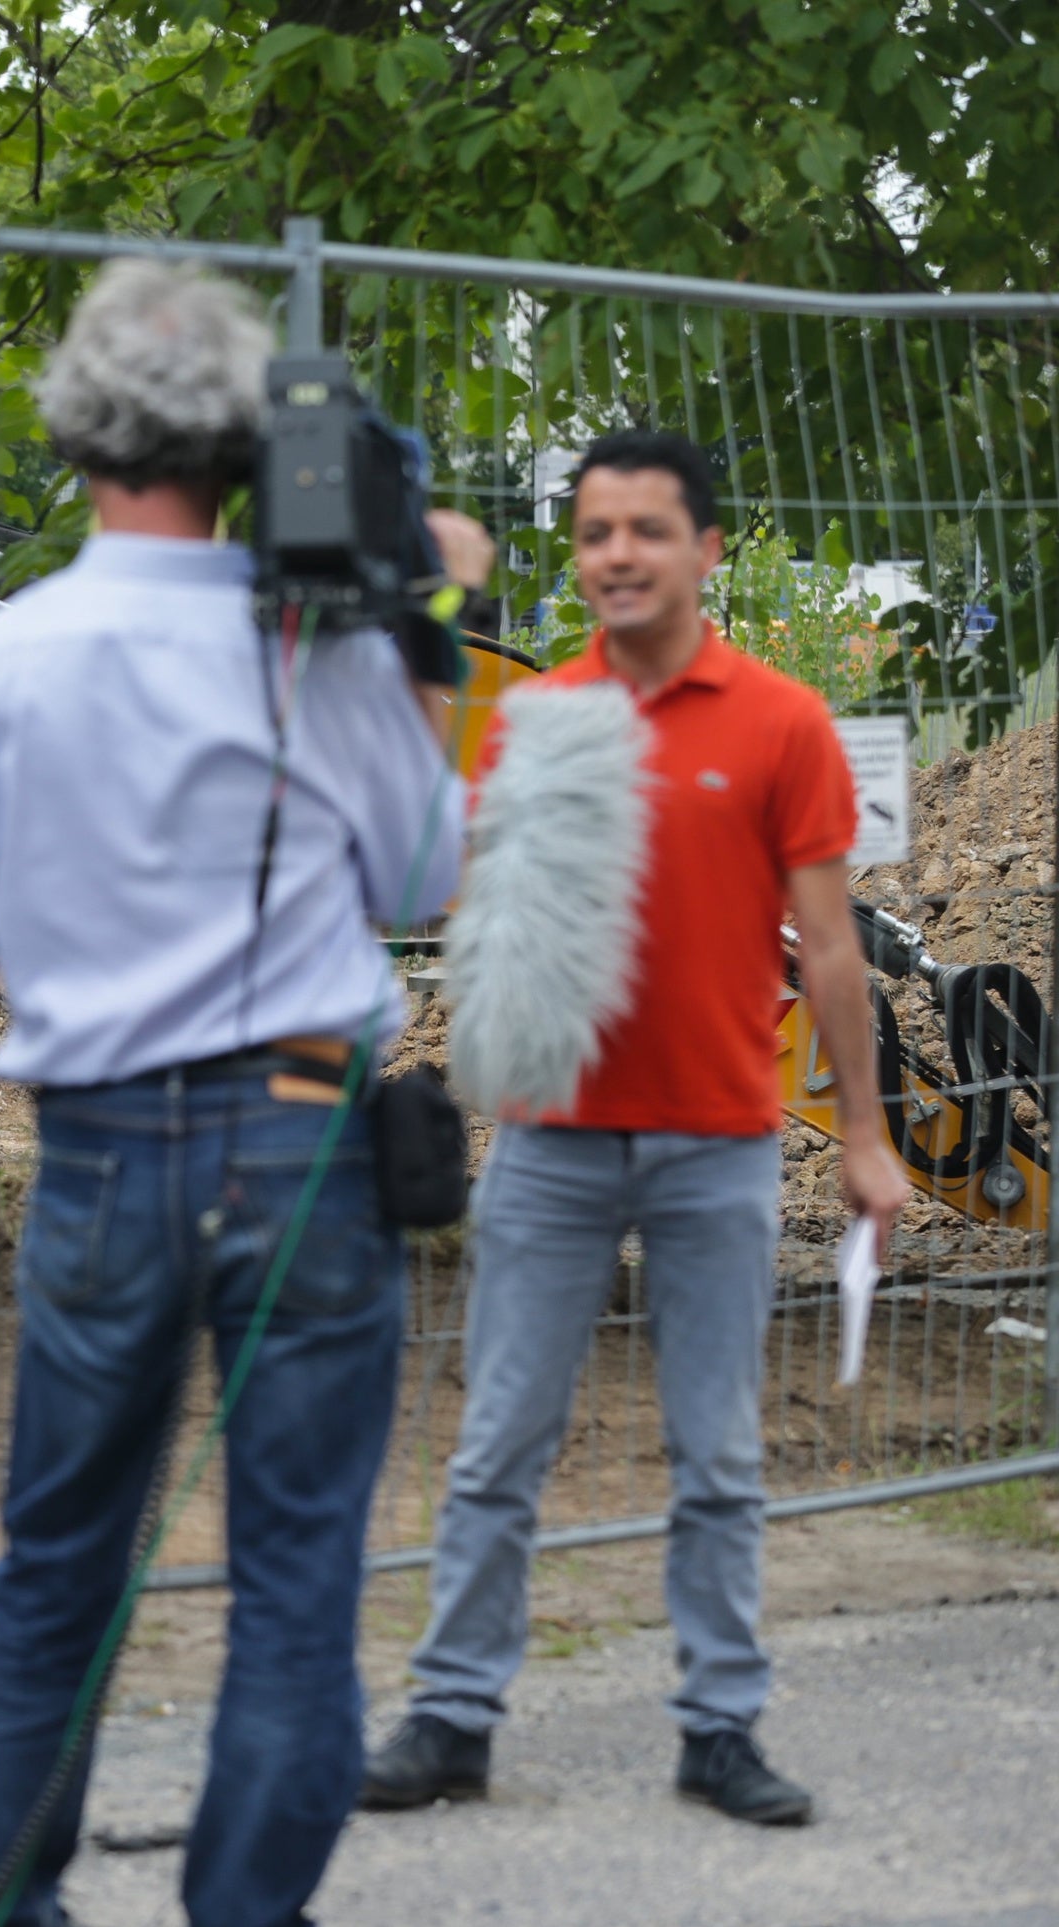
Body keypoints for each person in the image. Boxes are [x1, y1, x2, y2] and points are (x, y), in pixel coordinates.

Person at [0, 258, 491, 1927]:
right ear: (245, 439)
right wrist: (422, 638)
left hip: (90, 1150)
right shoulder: (321, 645)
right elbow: (420, 886)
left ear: (79, 429)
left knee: (53, 1554)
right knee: (297, 1561)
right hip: (300, 1137)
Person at [362, 431, 907, 1828]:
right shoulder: (540, 715)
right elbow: (449, 883)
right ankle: (452, 1714)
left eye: (647, 531)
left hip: (719, 1141)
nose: (617, 555)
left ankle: (720, 1725)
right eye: (596, 532)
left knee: (718, 1451)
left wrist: (864, 1133)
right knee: (499, 1443)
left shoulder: (781, 721)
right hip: (551, 1142)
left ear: (705, 549)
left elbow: (834, 953)